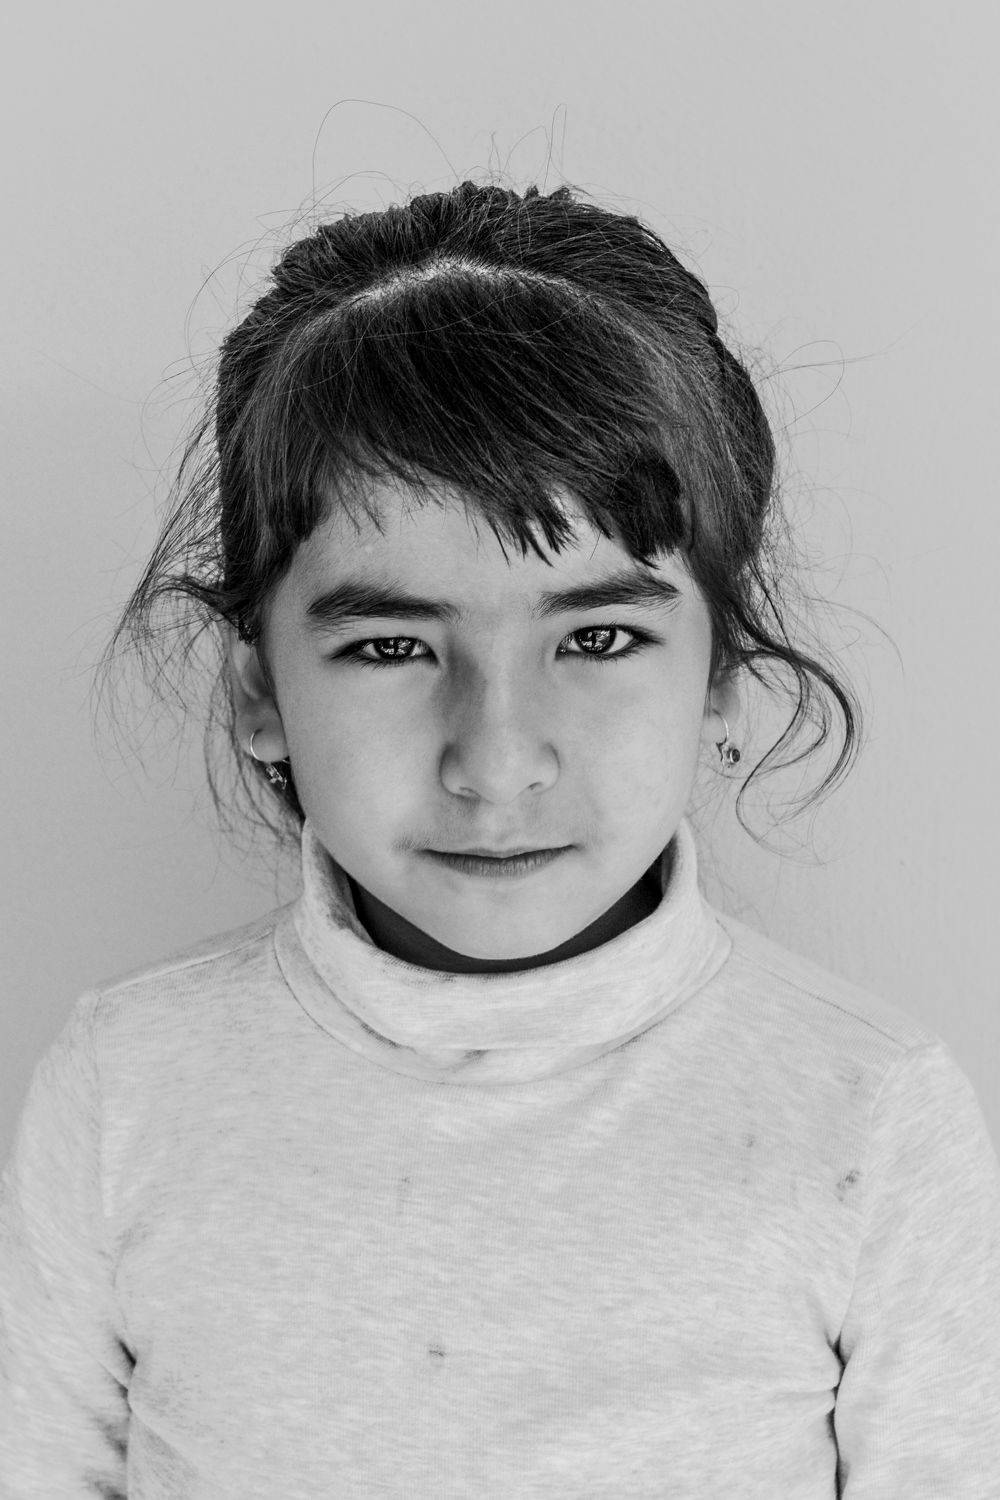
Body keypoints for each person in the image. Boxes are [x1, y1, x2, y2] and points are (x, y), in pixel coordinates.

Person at [2, 180, 998, 1497]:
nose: (495, 761)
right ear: (258, 692)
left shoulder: (872, 1112)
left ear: (718, 681)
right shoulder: (124, 1087)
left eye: (599, 637)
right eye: (390, 646)